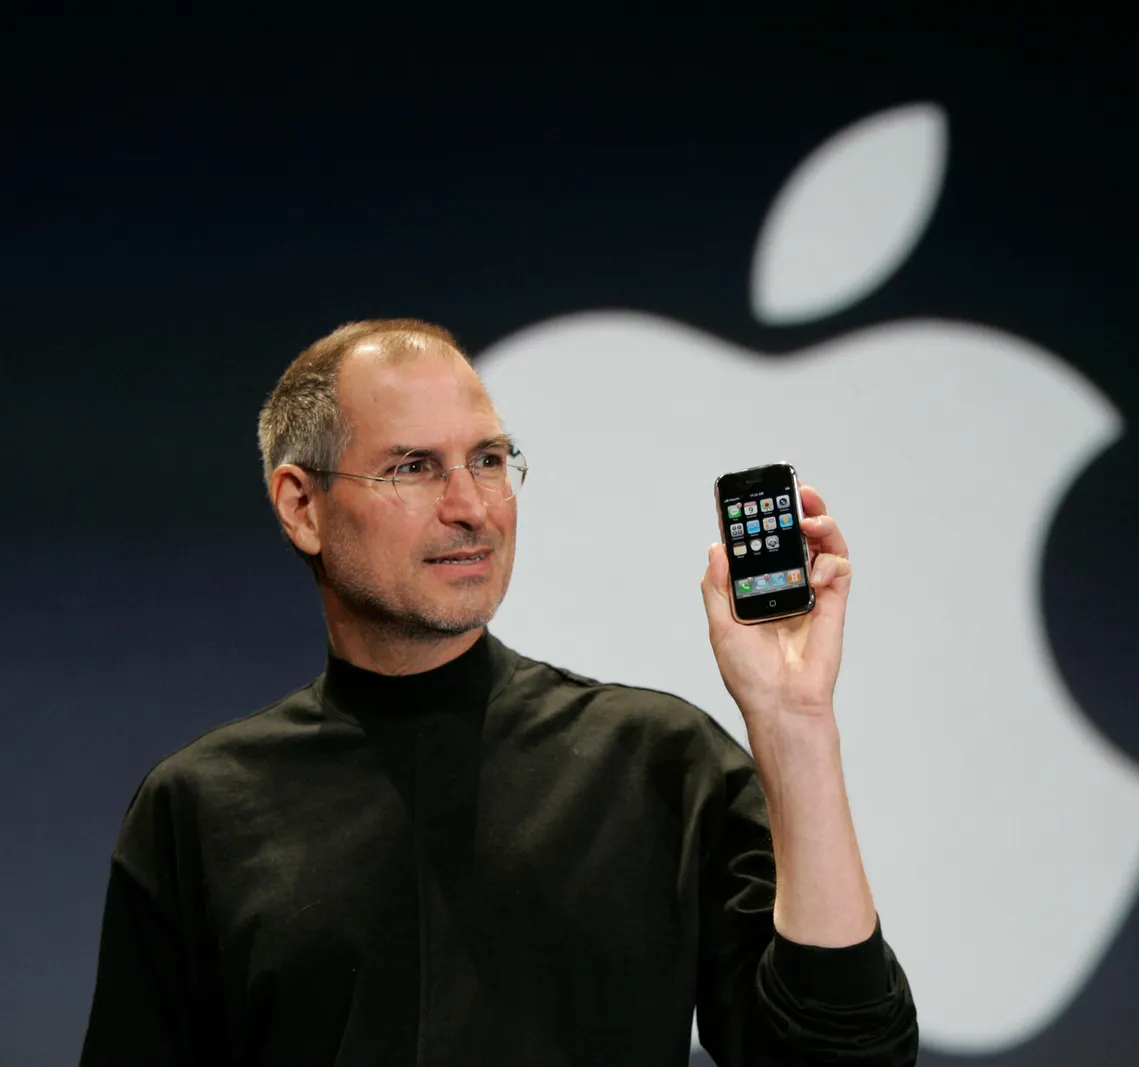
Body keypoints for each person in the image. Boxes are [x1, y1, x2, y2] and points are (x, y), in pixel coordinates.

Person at [78, 319, 918, 1065]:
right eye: (413, 467)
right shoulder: (200, 808)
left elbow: (846, 1054)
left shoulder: (657, 763)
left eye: (487, 459)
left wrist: (794, 720)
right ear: (302, 505)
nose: (472, 506)